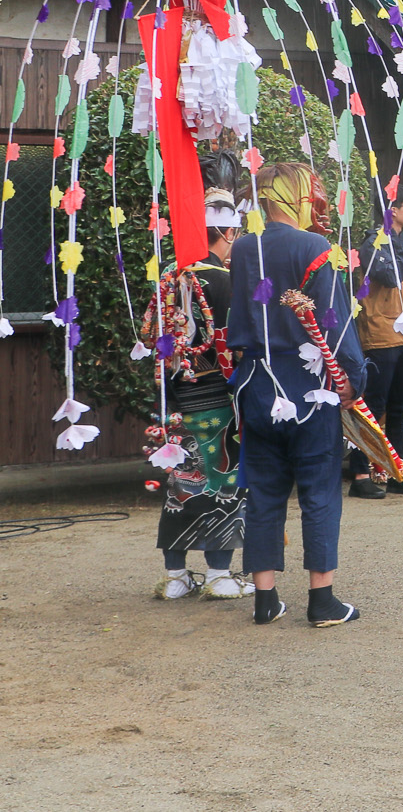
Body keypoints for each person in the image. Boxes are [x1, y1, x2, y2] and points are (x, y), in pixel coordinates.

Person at [225, 162, 367, 626]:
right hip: (309, 387)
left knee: (262, 492)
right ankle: (322, 600)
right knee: (319, 489)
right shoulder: (315, 246)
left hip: (255, 383)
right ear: (302, 194)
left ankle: (264, 600)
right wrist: (353, 378)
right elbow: (334, 319)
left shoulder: (243, 248)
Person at [152, 189, 253, 601]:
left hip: (177, 392)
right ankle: (217, 574)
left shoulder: (172, 274)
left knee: (181, 480)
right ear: (227, 231)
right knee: (223, 478)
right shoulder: (224, 280)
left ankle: (176, 578)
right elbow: (237, 341)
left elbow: (154, 335)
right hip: (217, 393)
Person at [342, 185, 403, 493]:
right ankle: (360, 476)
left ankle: (398, 472)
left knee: (398, 408)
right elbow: (390, 277)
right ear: (392, 210)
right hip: (381, 335)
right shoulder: (373, 242)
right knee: (371, 405)